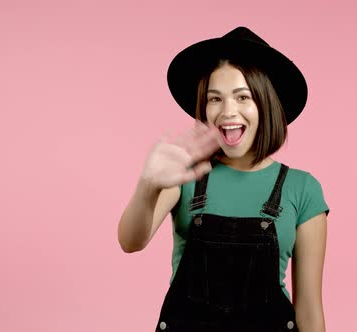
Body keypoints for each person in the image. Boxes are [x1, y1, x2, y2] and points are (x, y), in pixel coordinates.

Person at [118, 27, 329, 332]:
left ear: (266, 104)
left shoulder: (303, 188)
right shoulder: (186, 174)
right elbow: (130, 241)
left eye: (243, 97)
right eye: (215, 99)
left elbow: (309, 308)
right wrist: (148, 185)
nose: (228, 111)